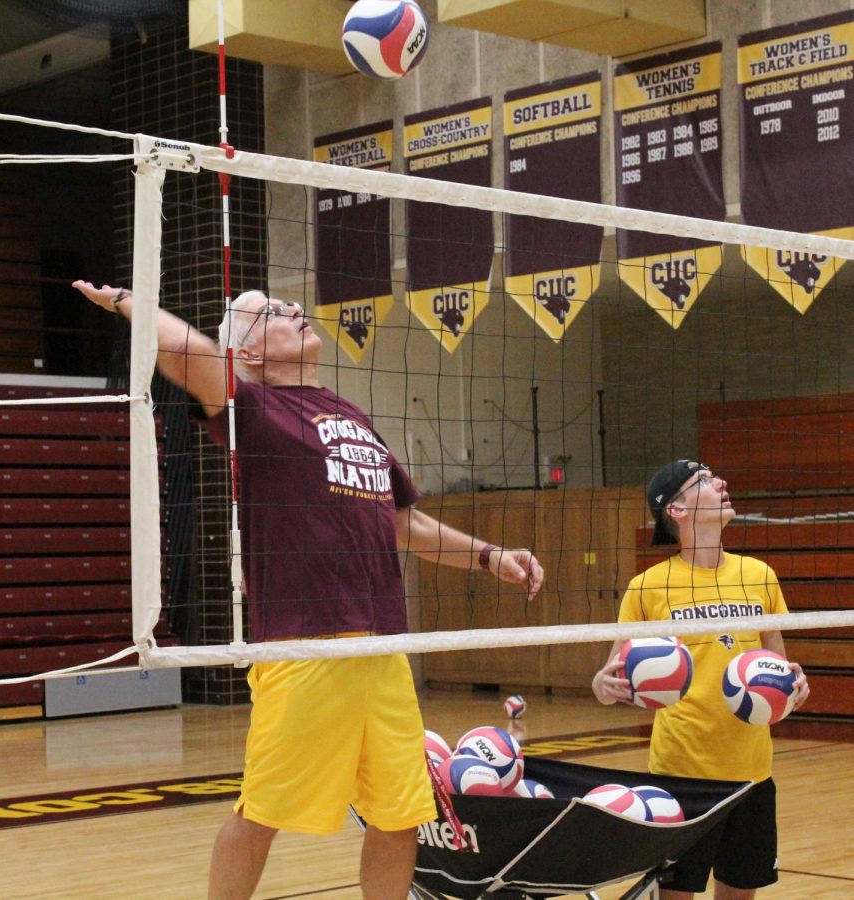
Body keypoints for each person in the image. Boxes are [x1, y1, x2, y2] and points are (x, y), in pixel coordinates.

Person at [73, 280, 544, 900]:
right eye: (270, 314)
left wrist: (488, 555)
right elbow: (188, 354)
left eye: (288, 305)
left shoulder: (351, 415)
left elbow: (402, 522)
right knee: (261, 814)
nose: (293, 310)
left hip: (382, 649)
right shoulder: (254, 411)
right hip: (307, 648)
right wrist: (129, 305)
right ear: (248, 356)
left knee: (401, 815)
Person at [591, 459, 809, 900]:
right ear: (677, 509)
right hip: (681, 776)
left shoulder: (758, 575)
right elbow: (609, 678)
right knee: (677, 894)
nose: (722, 482)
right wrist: (604, 686)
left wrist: (793, 689)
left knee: (739, 893)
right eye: (705, 481)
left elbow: (779, 667)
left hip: (751, 773)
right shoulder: (648, 586)